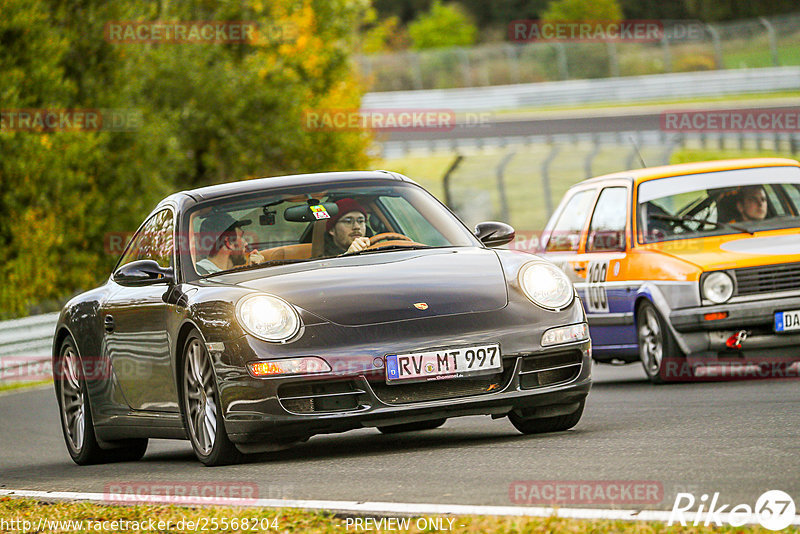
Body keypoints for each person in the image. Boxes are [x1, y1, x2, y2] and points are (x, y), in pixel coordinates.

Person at [195, 212, 264, 274]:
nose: (246, 243)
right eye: (241, 236)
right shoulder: (206, 276)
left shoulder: (196, 273)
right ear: (229, 242)